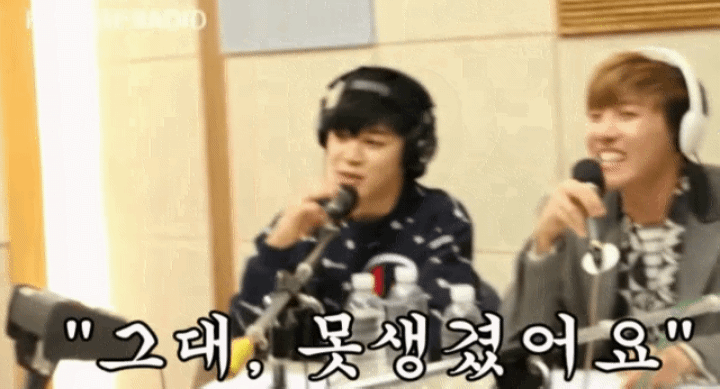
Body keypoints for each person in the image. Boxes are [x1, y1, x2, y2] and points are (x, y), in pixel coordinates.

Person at [229, 66, 500, 369]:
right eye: (340, 137)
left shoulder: (439, 219)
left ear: (412, 153)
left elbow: (439, 341)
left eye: (373, 143)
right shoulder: (305, 217)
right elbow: (245, 336)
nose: (350, 156)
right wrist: (276, 248)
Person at [497, 48, 719, 389]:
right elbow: (517, 354)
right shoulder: (578, 212)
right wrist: (544, 248)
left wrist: (690, 357)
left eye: (627, 115)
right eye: (596, 116)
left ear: (682, 130)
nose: (603, 133)